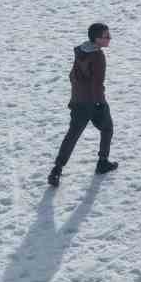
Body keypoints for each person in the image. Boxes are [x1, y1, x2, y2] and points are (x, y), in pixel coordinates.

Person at [47, 23, 119, 187]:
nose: (109, 38)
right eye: (106, 36)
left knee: (72, 135)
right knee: (107, 128)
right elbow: (96, 83)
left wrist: (77, 96)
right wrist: (100, 102)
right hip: (93, 101)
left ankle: (56, 170)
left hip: (79, 101)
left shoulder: (80, 52)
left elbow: (72, 75)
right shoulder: (98, 56)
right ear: (97, 39)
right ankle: (102, 162)